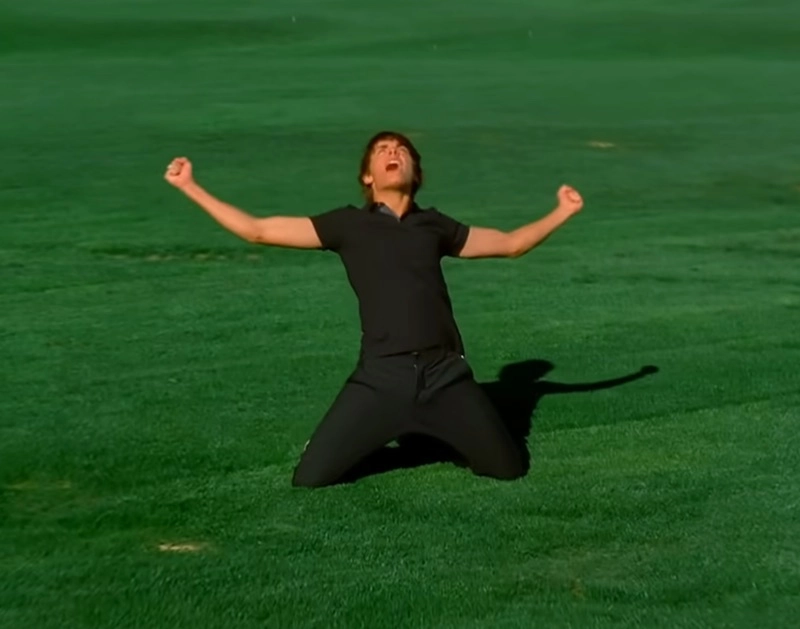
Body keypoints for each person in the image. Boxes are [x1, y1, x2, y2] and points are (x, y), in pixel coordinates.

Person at [164, 131, 584, 487]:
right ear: (368, 175)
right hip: (381, 375)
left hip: (444, 373)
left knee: (507, 469)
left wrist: (563, 211)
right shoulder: (348, 225)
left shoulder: (435, 226)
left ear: (416, 174)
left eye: (402, 150)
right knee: (310, 477)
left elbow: (511, 244)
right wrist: (189, 186)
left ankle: (430, 427)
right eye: (382, 150)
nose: (393, 152)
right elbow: (257, 230)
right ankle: (368, 431)